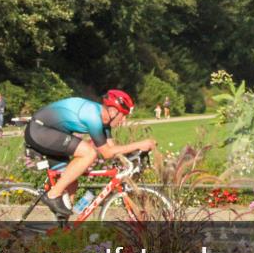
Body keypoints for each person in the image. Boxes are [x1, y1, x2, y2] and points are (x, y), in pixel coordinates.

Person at [23, 90, 156, 217]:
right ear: (113, 111)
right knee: (89, 153)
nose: (124, 120)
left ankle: (62, 231)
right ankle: (53, 195)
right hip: (39, 130)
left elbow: (113, 148)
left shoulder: (105, 123)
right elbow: (107, 153)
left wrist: (130, 159)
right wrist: (139, 144)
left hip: (50, 132)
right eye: (123, 115)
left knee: (71, 183)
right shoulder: (93, 116)